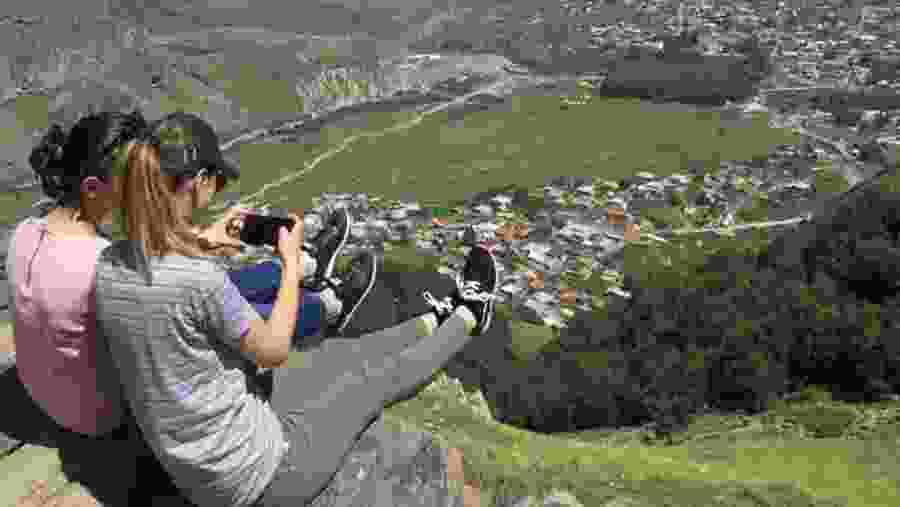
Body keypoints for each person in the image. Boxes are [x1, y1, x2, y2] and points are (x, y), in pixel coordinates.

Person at [93, 128, 499, 507]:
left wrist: (204, 242)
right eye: (215, 180)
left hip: (195, 459)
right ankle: (468, 316)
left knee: (337, 354)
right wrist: (290, 267)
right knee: (368, 383)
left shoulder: (110, 263)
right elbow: (272, 351)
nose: (216, 189)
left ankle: (430, 321)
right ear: (196, 180)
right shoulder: (198, 281)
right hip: (259, 475)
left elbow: (165, 285)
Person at [3, 110, 149, 507]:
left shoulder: (24, 231)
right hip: (97, 419)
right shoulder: (103, 265)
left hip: (42, 394)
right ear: (91, 187)